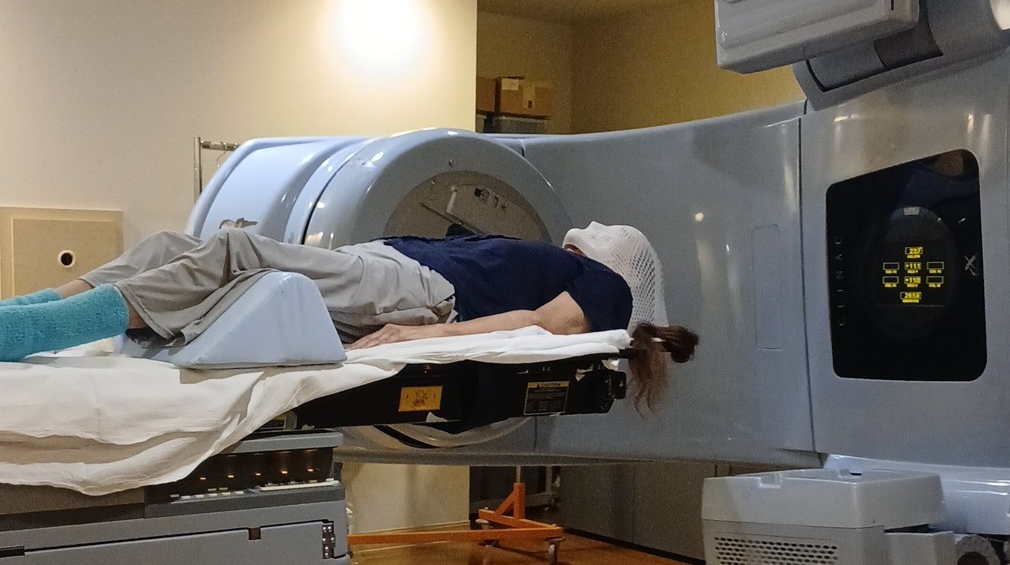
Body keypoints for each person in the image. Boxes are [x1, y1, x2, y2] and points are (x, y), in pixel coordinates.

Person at [0, 222, 698, 408]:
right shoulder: (565, 261)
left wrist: (432, 332)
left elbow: (548, 326)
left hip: (417, 289)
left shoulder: (608, 289)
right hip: (387, 267)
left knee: (235, 250)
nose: (587, 229)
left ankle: (26, 332)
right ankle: (23, 311)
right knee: (170, 247)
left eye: (602, 231)